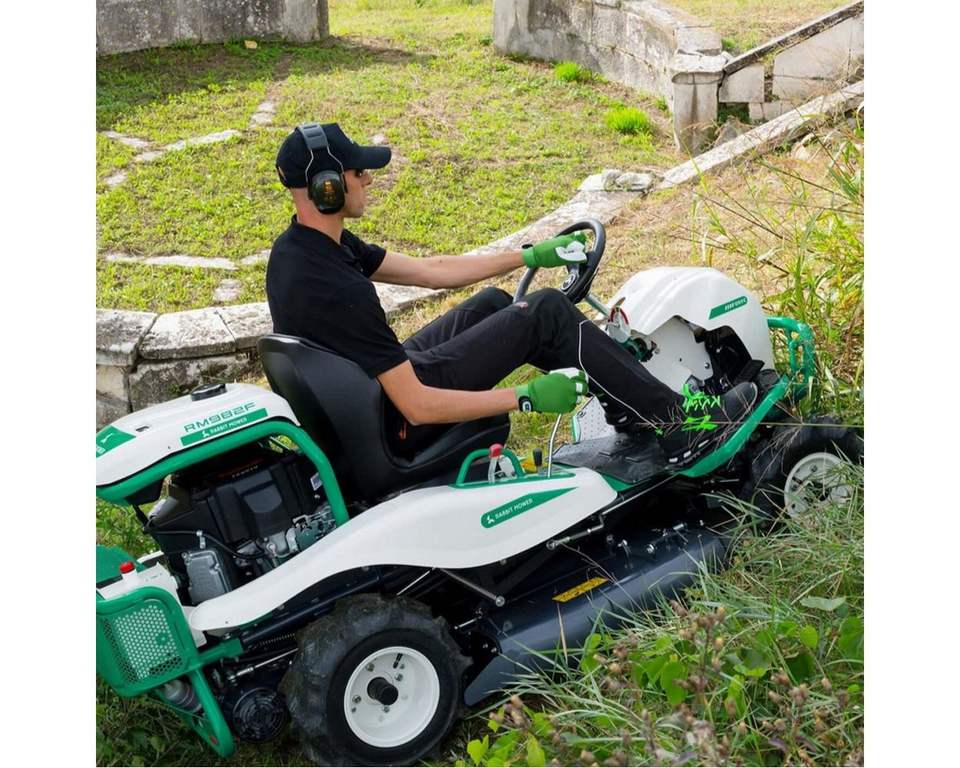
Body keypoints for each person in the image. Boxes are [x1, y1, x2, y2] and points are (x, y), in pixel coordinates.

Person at [266, 123, 757, 466]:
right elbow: (418, 407)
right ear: (328, 188)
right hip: (395, 422)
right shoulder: (340, 290)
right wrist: (525, 397)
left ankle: (629, 404)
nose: (369, 178)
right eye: (358, 173)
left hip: (366, 401)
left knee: (494, 303)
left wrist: (528, 256)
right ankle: (679, 426)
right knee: (545, 312)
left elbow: (431, 272)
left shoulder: (303, 249)